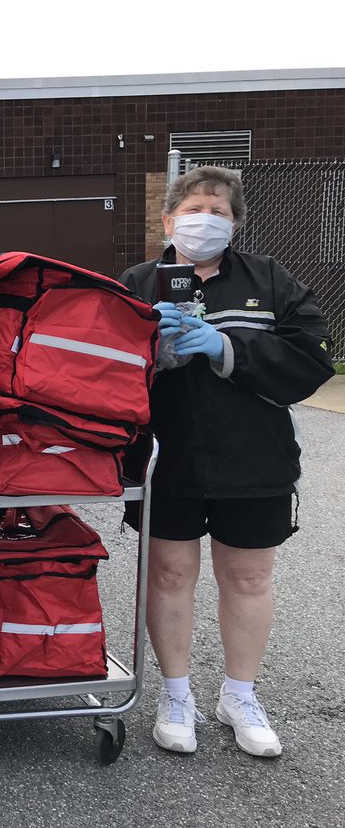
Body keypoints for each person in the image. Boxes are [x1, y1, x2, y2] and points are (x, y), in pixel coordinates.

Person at [120, 166, 333, 758]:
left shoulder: (270, 279)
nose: (205, 221)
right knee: (168, 575)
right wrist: (151, 354)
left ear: (235, 225)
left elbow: (312, 357)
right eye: (194, 209)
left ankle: (239, 696)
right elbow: (98, 370)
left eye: (219, 212)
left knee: (248, 578)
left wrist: (226, 346)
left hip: (254, 459)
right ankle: (176, 695)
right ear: (168, 220)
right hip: (168, 458)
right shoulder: (137, 282)